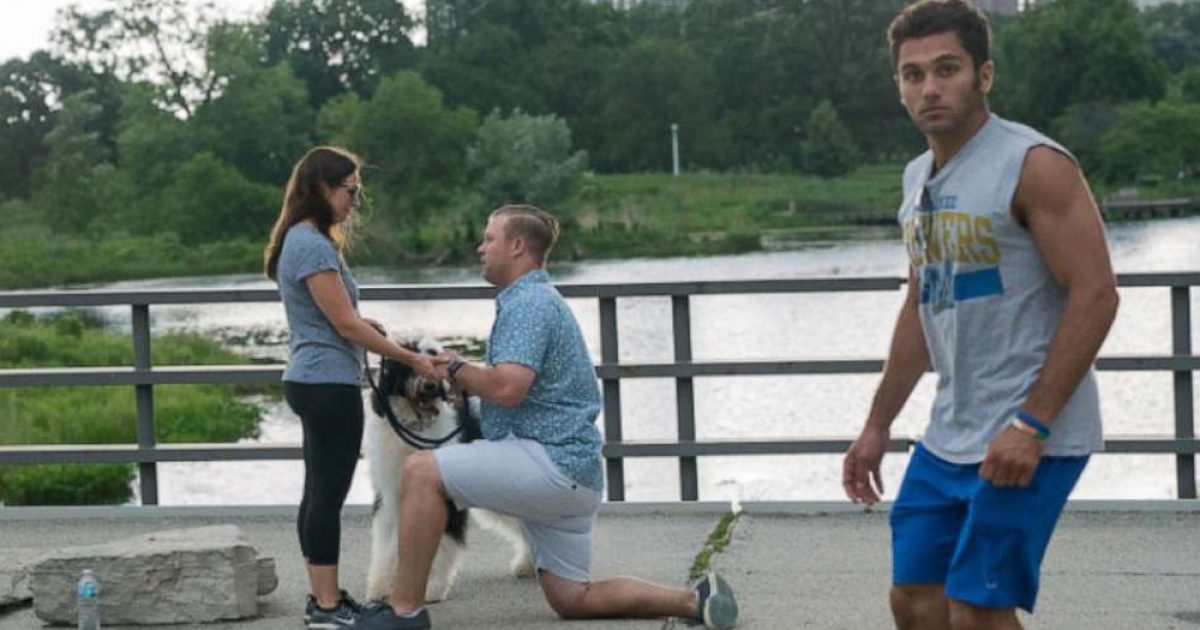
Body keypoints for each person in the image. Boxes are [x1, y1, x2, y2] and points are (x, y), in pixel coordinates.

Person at [841, 2, 1121, 629]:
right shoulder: (918, 179)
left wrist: (1033, 422)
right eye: (914, 75)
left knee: (975, 609)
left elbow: (1097, 293)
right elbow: (922, 303)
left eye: (947, 69)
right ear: (899, 88)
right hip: (949, 433)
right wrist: (876, 424)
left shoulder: (1034, 164)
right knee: (915, 600)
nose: (930, 88)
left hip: (1030, 431)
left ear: (984, 75)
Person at [351, 205, 739, 630]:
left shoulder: (528, 304)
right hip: (576, 474)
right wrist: (466, 375)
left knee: (422, 472)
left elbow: (507, 388)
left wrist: (458, 370)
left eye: (490, 239)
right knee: (573, 598)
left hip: (546, 463)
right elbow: (508, 385)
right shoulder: (538, 299)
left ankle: (403, 611)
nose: (481, 248)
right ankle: (694, 599)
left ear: (517, 246)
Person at [265, 146, 438, 630]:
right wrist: (408, 357)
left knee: (316, 491)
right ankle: (326, 607)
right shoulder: (313, 245)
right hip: (327, 383)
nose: (356, 201)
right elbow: (344, 326)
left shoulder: (299, 240)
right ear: (322, 188)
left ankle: (324, 596)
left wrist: (363, 324)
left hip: (309, 376)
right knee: (327, 496)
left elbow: (333, 317)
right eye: (351, 190)